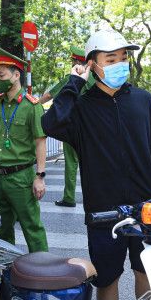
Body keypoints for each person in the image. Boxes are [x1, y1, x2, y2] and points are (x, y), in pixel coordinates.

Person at [42, 30, 151, 300]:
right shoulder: (81, 108)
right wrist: (74, 83)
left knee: (145, 272)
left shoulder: (142, 99)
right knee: (107, 278)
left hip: (145, 206)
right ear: (92, 65)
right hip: (103, 211)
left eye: (123, 58)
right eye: (110, 59)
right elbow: (50, 123)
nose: (119, 64)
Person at [0, 47, 48, 252]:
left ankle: (42, 273)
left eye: (2, 75)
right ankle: (7, 272)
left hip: (21, 177)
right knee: (3, 228)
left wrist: (39, 176)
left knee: (32, 227)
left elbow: (40, 141)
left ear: (16, 75)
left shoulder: (31, 106)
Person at [38, 45, 96, 208]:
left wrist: (34, 103)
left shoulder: (73, 78)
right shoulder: (96, 79)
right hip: (92, 129)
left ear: (78, 62)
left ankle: (69, 197)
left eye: (72, 61)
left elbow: (49, 95)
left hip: (72, 128)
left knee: (71, 164)